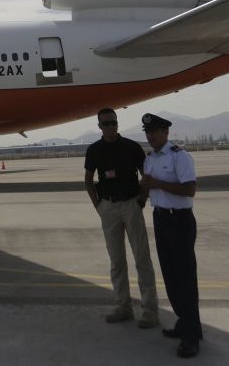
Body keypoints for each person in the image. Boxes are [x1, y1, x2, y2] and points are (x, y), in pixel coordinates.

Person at [85, 108, 158, 327]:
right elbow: (88, 180)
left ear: (118, 123)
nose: (110, 127)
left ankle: (150, 310)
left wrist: (141, 200)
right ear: (100, 126)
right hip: (108, 207)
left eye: (113, 123)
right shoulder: (95, 150)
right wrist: (98, 205)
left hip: (130, 205)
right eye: (106, 124)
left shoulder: (132, 147)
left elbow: (146, 175)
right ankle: (123, 306)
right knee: (117, 261)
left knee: (142, 258)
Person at [140, 113, 202, 359]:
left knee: (185, 278)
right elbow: (147, 186)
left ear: (166, 133)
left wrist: (158, 184)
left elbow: (190, 189)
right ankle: (183, 322)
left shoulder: (180, 156)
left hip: (180, 220)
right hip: (161, 218)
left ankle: (192, 335)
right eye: (147, 132)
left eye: (155, 131)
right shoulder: (150, 159)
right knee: (170, 275)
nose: (151, 135)